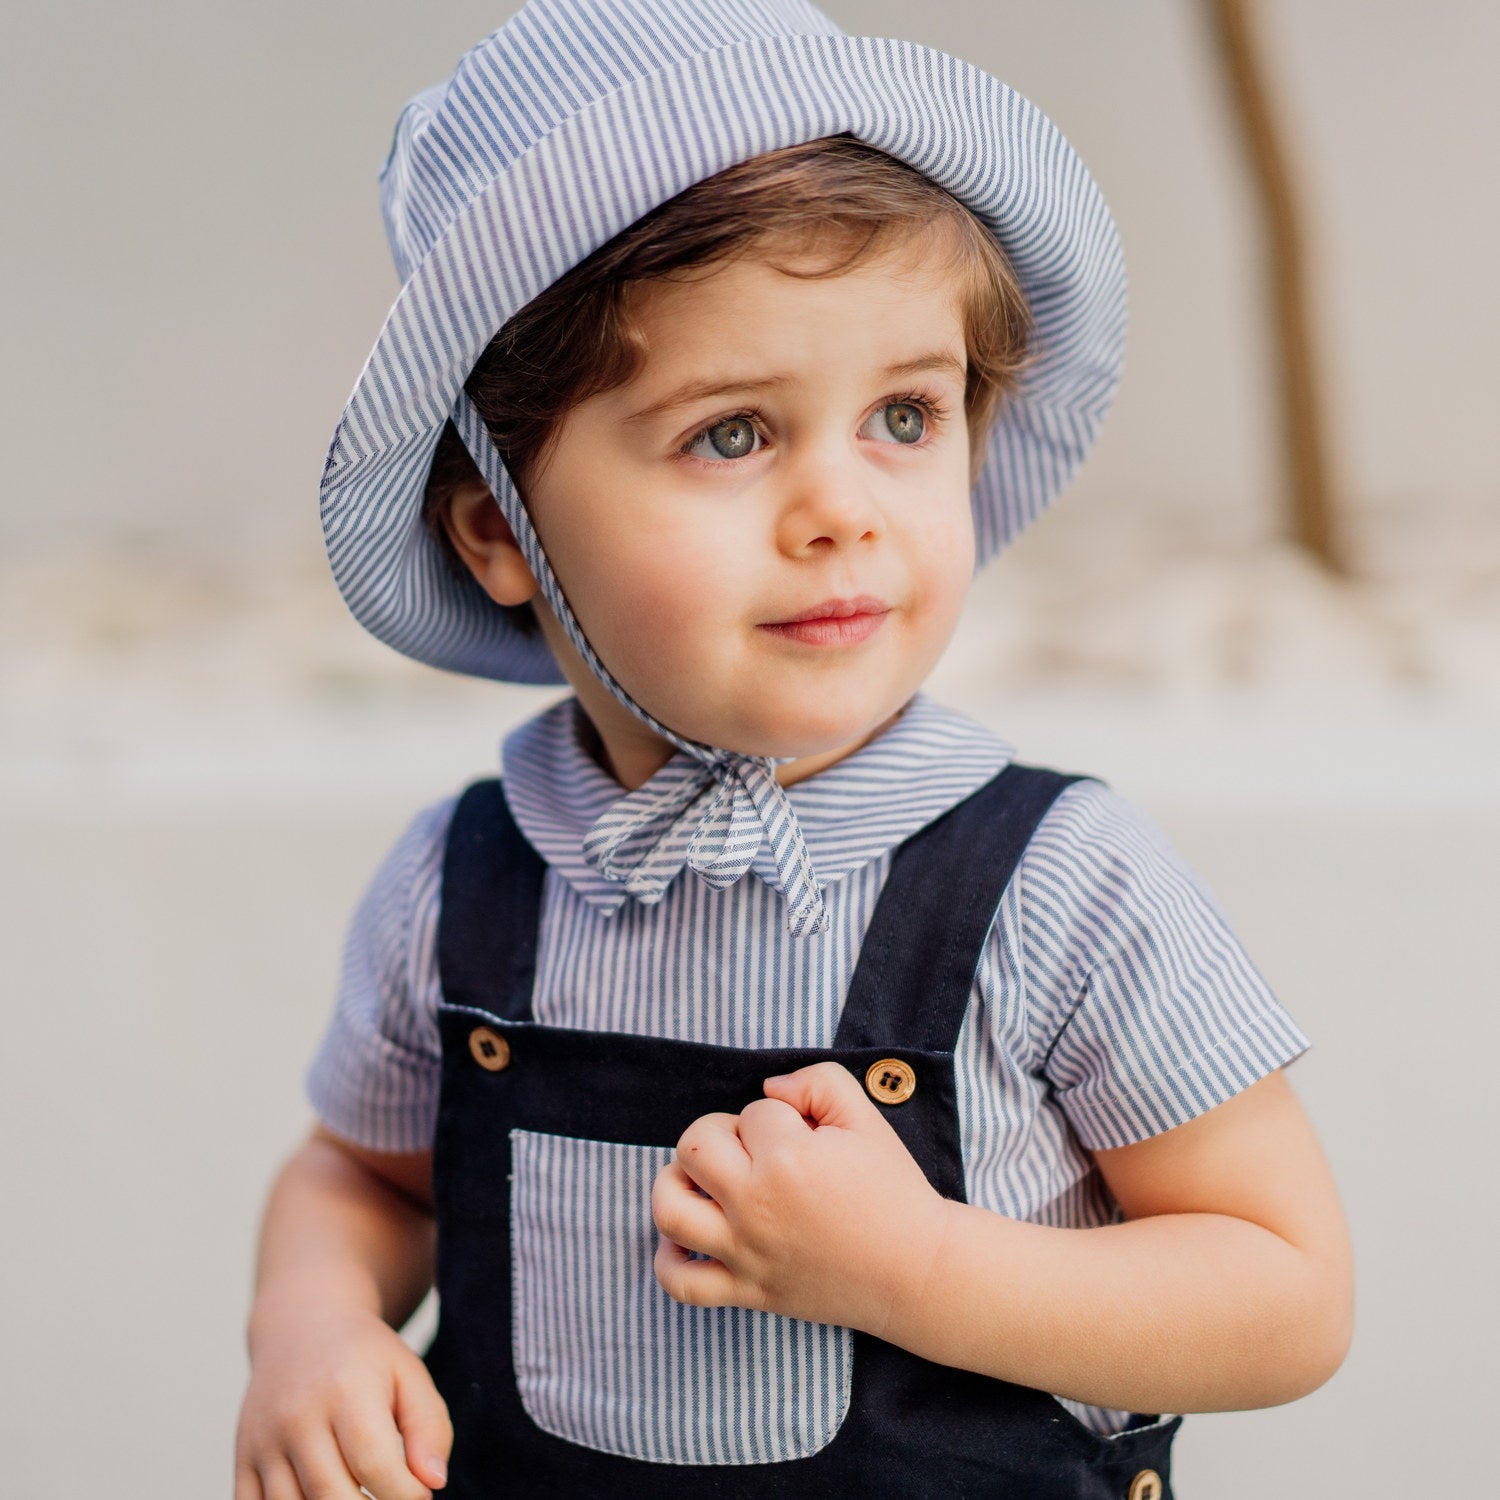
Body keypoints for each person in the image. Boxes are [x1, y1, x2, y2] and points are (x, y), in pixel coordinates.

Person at [234, 2, 1354, 1496]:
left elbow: (1287, 1296)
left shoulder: (1057, 882)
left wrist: (920, 1268)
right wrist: (309, 1325)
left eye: (904, 412)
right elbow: (361, 1178)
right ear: (502, 527)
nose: (843, 508)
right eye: (733, 434)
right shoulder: (469, 883)